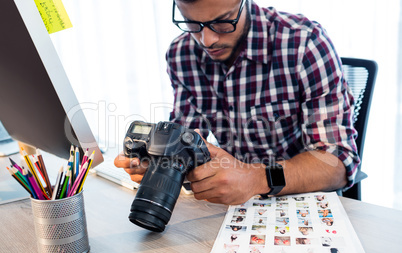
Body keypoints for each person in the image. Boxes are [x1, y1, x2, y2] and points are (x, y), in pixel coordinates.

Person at [114, 0, 360, 205]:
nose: (206, 40)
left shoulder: (304, 42)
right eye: (192, 23)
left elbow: (337, 163)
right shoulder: (182, 53)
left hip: (301, 205)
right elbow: (187, 139)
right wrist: (161, 163)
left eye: (222, 22)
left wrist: (255, 178)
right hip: (232, 209)